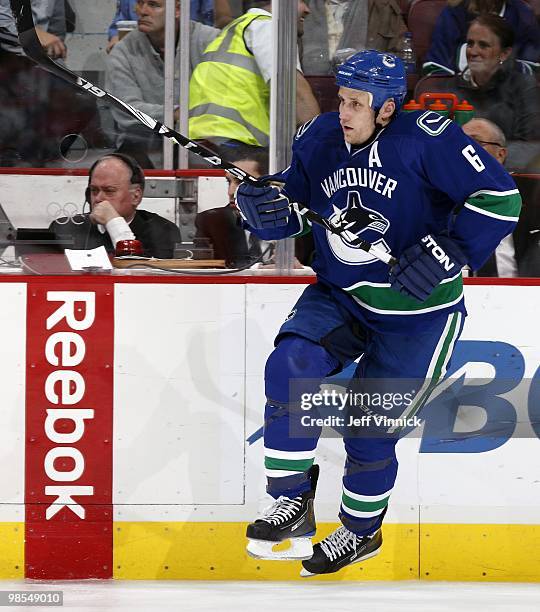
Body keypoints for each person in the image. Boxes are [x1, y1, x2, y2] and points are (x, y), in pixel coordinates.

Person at [235, 49, 520, 575]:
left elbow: (501, 199)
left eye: (356, 103)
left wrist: (448, 250)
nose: (343, 112)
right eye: (340, 99)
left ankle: (360, 532)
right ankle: (290, 502)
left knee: (368, 429)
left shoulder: (429, 139)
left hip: (420, 314)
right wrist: (261, 207)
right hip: (342, 293)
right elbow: (297, 208)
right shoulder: (319, 138)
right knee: (289, 364)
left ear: (387, 108)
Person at [188, 0, 320, 148]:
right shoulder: (268, 27)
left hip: (199, 143)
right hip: (234, 144)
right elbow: (296, 94)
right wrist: (324, 142)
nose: (307, 9)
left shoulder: (236, 29)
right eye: (301, 1)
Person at [106, 0, 219, 166]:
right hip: (145, 144)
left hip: (203, 140)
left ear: (178, 10)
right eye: (139, 3)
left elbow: (224, 100)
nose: (142, 11)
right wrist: (174, 113)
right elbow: (126, 110)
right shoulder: (122, 51)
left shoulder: (212, 41)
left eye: (153, 5)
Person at [418, 15, 540, 143]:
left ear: (504, 54)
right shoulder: (450, 89)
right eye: (470, 44)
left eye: (483, 45)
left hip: (504, 161)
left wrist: (488, 153)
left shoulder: (523, 86)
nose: (473, 52)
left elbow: (531, 144)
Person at [49, 153, 181, 258]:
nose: (99, 198)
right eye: (94, 190)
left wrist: (114, 223)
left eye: (109, 191)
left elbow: (140, 277)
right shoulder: (63, 230)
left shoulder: (162, 231)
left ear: (136, 196)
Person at [195, 144, 269, 266]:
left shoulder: (301, 224)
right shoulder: (212, 223)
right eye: (228, 182)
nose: (231, 192)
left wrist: (303, 270)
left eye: (240, 182)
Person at [462, 117, 518, 276]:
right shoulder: (439, 204)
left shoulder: (528, 203)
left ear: (500, 154)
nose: (465, 151)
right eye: (459, 144)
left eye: (475, 143)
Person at [423, 0, 540, 76]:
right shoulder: (454, 13)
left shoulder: (522, 15)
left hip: (509, 99)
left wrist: (498, 68)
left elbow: (532, 69)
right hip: (461, 97)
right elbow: (435, 68)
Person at [301, 0, 407, 76]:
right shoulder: (300, 6)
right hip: (308, 87)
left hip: (363, 91)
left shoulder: (382, 7)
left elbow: (402, 58)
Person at [106, 0, 234, 53]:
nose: (143, 11)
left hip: (186, 50)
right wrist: (116, 38)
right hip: (141, 52)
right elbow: (121, 19)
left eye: (152, 4)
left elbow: (220, 20)